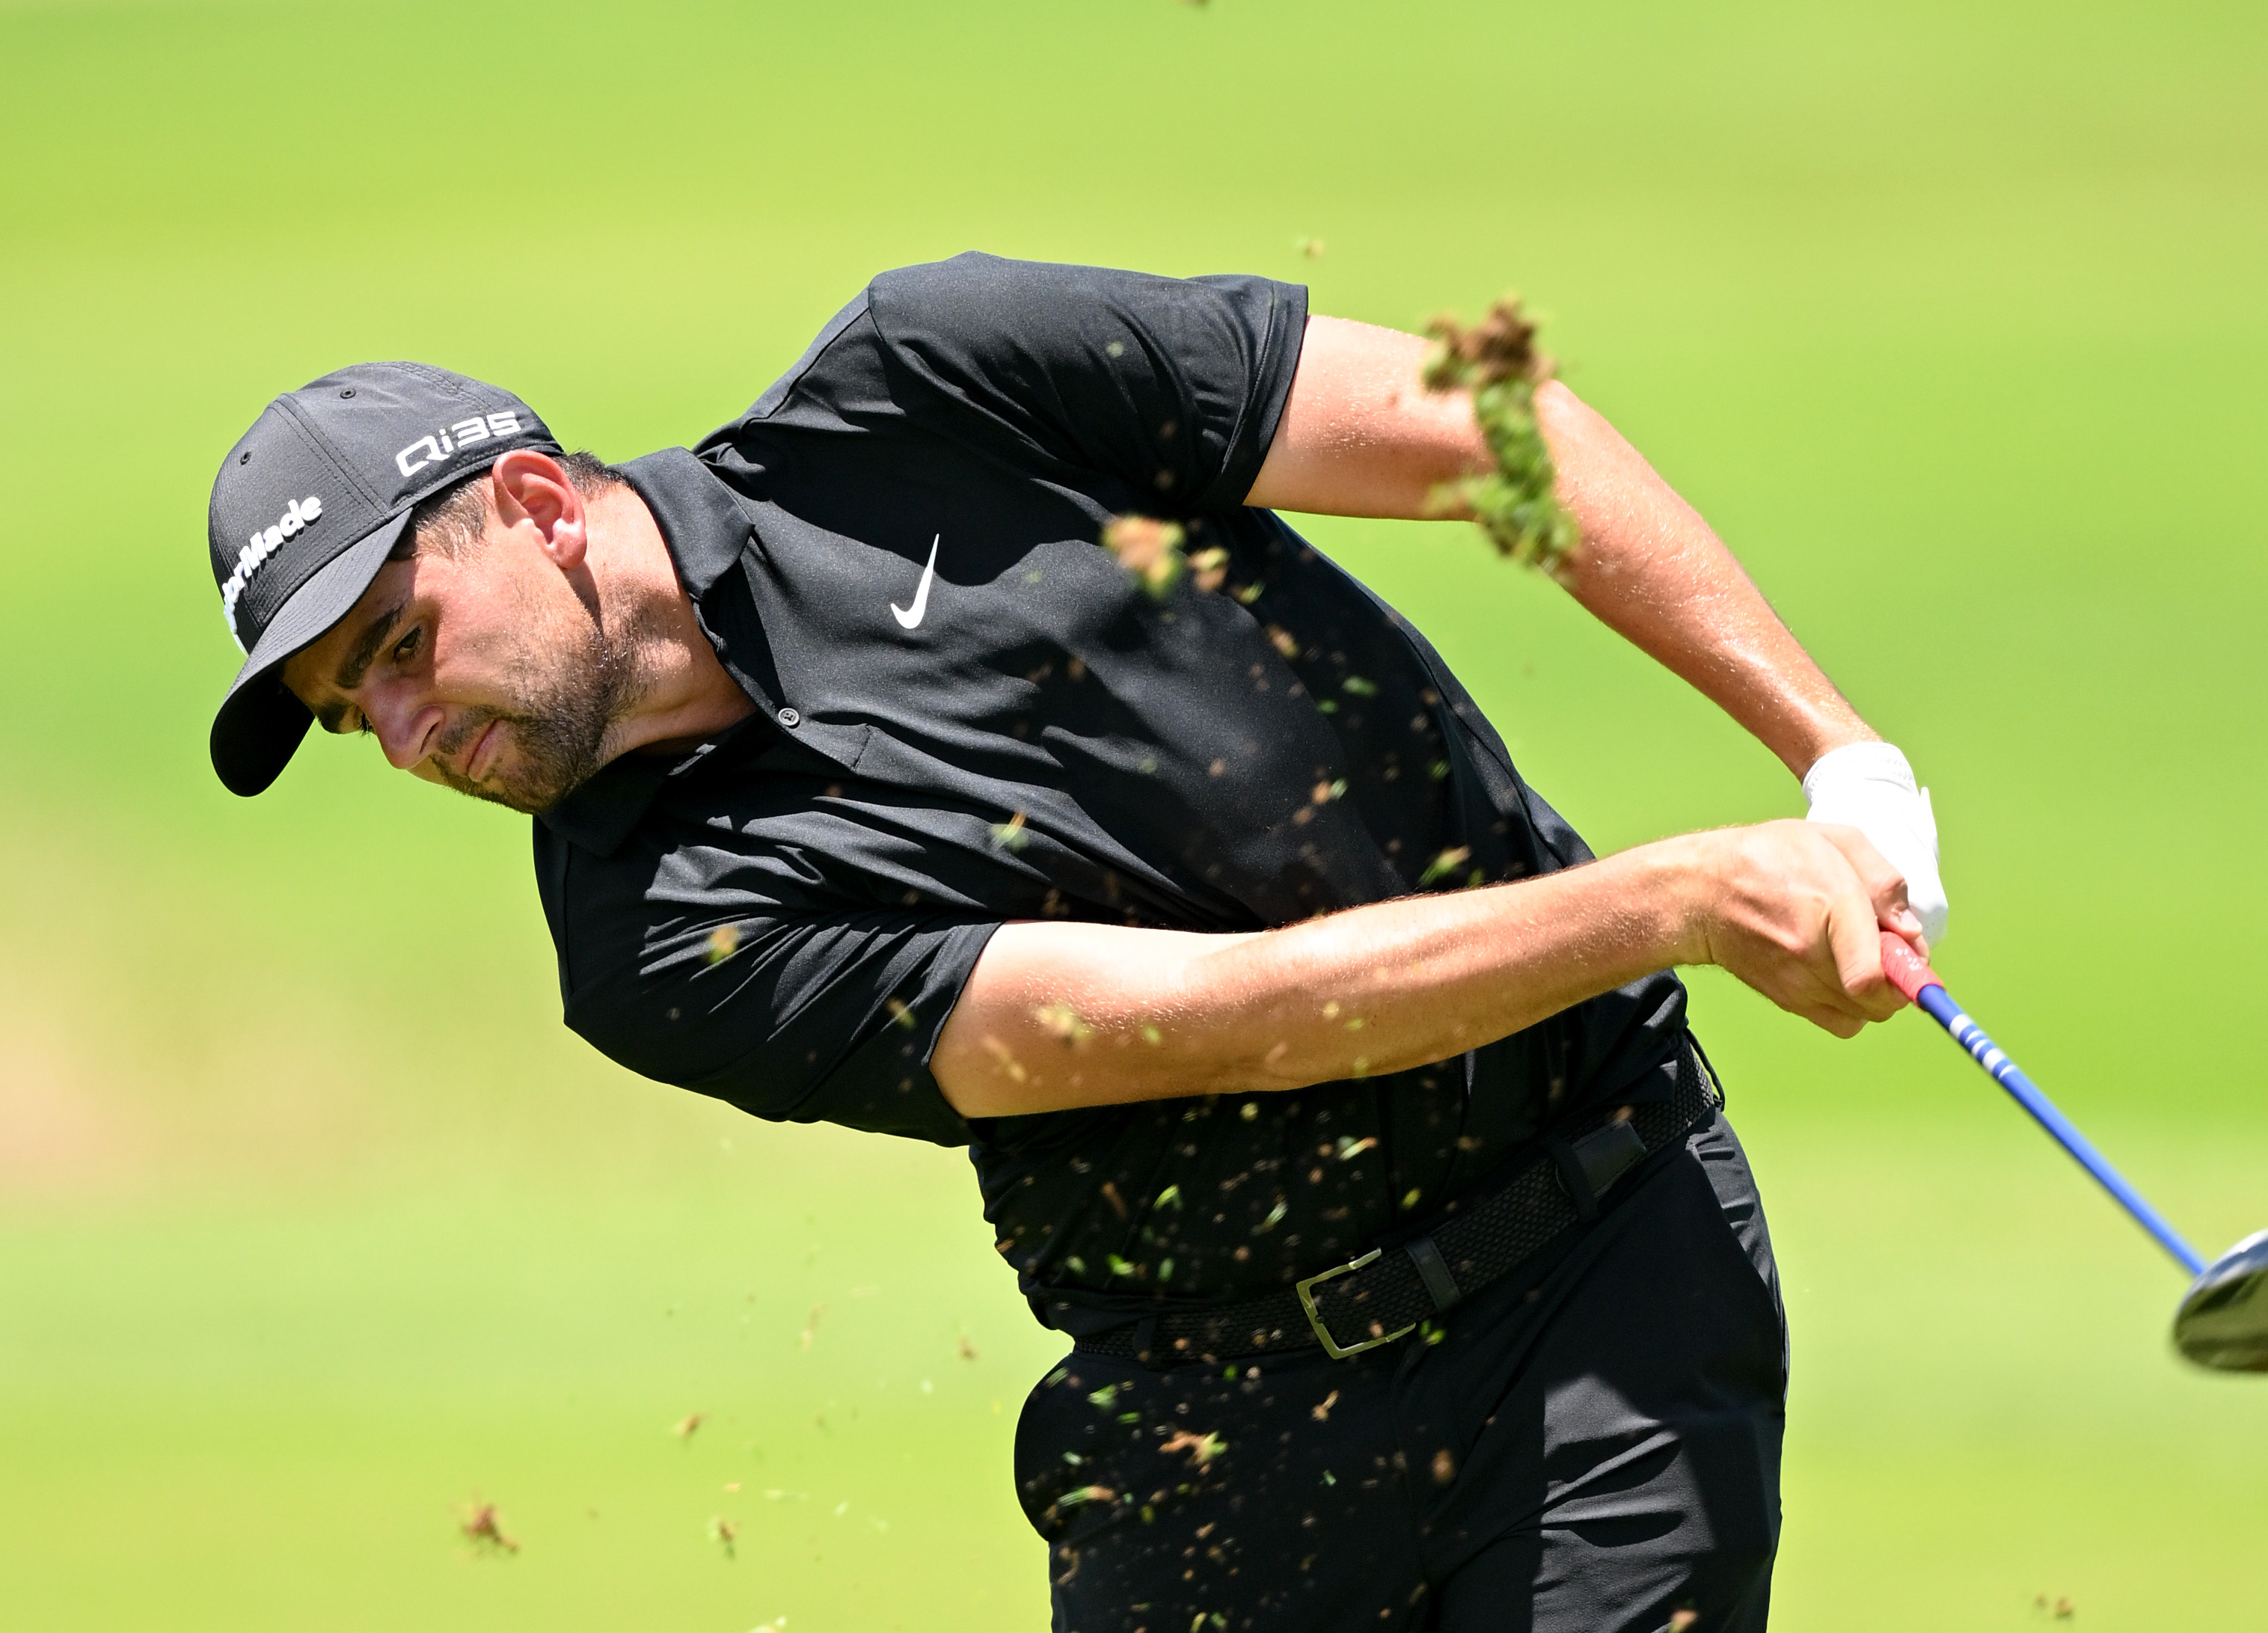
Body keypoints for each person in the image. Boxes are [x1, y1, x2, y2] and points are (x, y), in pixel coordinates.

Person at [201, 254, 1947, 1631]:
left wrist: (1837, 761)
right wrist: (1675, 901)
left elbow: (1484, 426)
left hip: (1598, 1264)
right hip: (1213, 1428)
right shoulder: (654, 944)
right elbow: (1237, 1024)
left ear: (536, 505)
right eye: (357, 715)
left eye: (404, 644)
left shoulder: (927, 381)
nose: (414, 737)